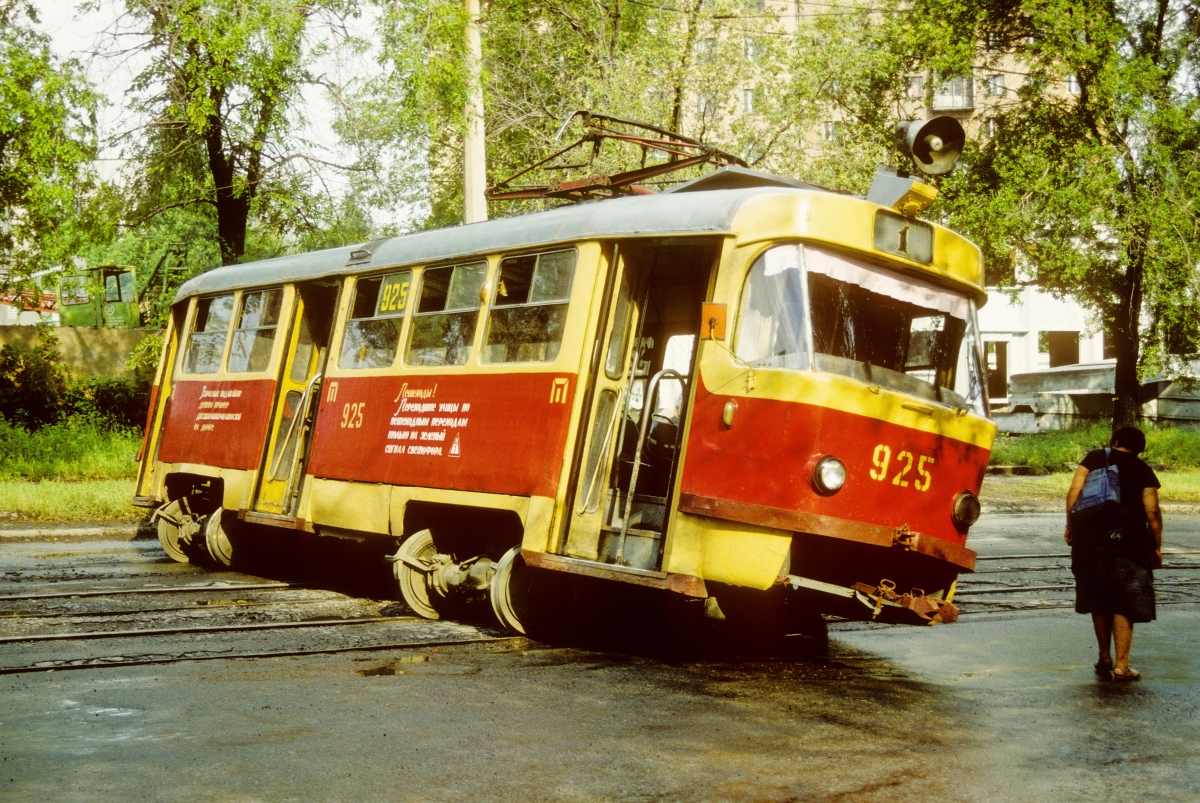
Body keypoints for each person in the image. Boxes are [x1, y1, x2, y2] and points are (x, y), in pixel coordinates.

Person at [1064, 426, 1163, 681]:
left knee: (1098, 596)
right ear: (1140, 449)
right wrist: (1156, 546)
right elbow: (1152, 511)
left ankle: (1104, 656)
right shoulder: (1143, 470)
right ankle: (1122, 664)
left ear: (1115, 441)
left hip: (1089, 539)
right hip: (1129, 542)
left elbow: (1074, 492)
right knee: (1124, 601)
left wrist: (1071, 525)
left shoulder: (1095, 458)